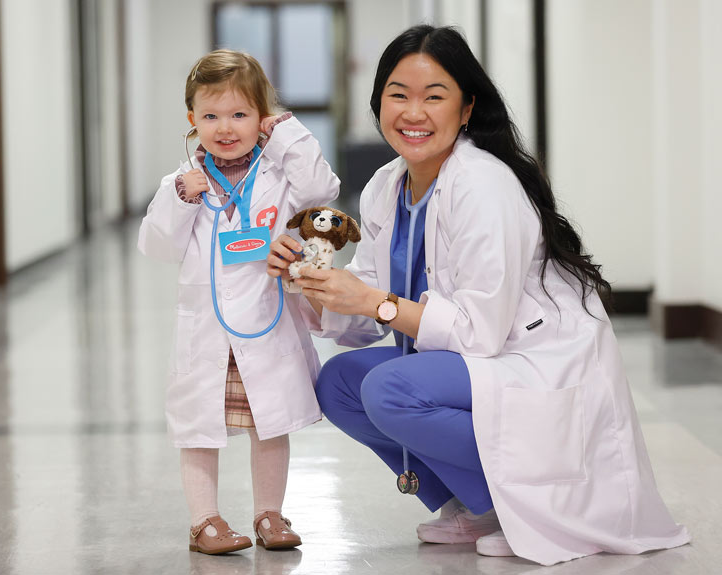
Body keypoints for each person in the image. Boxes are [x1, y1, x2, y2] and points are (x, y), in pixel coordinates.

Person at [267, 25, 689, 566]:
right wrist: (311, 286)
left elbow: (479, 333)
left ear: (466, 110)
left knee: (390, 389)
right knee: (340, 384)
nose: (413, 112)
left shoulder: (485, 185)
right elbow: (363, 318)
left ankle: (514, 507)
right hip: (467, 363)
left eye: (434, 96)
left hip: (531, 362)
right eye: (398, 95)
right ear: (378, 105)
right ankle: (477, 506)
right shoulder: (384, 186)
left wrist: (374, 301)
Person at [138, 49, 339, 555]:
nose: (224, 127)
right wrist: (181, 198)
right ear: (192, 121)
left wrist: (289, 134)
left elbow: (324, 187)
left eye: (240, 114)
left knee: (269, 424)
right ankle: (204, 521)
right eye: (210, 116)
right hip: (207, 331)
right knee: (198, 430)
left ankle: (270, 514)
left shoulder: (279, 175)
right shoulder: (181, 184)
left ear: (262, 119)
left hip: (263, 323)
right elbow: (156, 247)